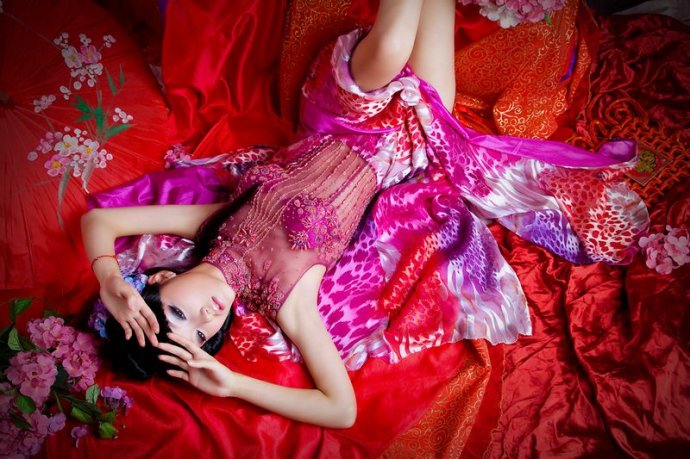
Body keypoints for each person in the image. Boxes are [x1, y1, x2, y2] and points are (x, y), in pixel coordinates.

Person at [82, 0, 648, 428]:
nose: (207, 317)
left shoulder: (211, 226)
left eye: (180, 315)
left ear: (161, 278)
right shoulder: (287, 299)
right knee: (439, 48)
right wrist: (231, 384)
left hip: (337, 115)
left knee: (393, 44)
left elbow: (99, 223)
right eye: (204, 335)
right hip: (404, 146)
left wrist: (109, 280)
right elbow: (341, 409)